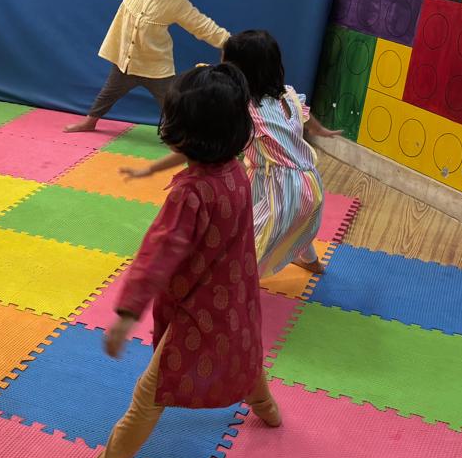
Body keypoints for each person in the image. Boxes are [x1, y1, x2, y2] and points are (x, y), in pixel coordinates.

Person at [41, 64, 281, 458]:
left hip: (198, 313)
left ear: (182, 135)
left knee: (148, 397)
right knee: (244, 352)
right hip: (238, 300)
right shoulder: (234, 171)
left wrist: (125, 315)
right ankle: (266, 408)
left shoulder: (189, 195)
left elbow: (157, 256)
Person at [127, 30, 343, 276]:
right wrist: (320, 129)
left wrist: (153, 167)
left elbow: (203, 148)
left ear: (240, 71)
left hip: (281, 188)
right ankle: (310, 261)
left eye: (224, 63)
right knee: (294, 223)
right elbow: (306, 116)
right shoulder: (287, 94)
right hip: (309, 182)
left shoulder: (248, 111)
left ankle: (238, 282)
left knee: (252, 240)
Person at [63, 0, 230, 134]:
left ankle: (183, 134)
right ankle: (89, 122)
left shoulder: (177, 3)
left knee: (171, 103)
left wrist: (228, 42)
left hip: (155, 68)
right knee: (107, 94)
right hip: (125, 63)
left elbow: (202, 25)